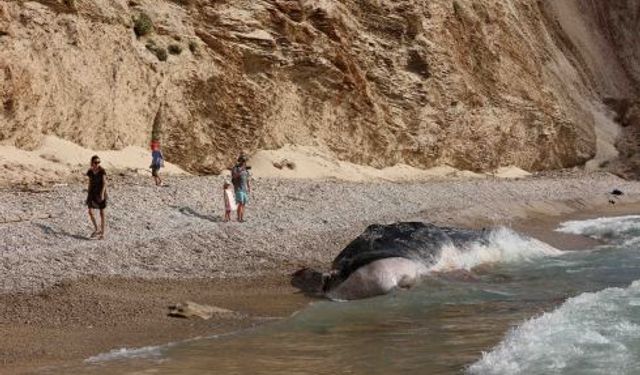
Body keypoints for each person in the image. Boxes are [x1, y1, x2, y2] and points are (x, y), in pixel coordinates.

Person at [86, 155, 107, 240]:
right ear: (92, 163)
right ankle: (97, 228)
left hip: (100, 192)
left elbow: (105, 183)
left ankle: (103, 233)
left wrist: (102, 194)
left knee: (102, 213)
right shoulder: (90, 171)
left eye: (99, 162)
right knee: (90, 211)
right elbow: (90, 182)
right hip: (92, 193)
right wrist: (88, 192)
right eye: (95, 162)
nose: (97, 164)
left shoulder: (102, 171)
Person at [231, 155, 251, 222]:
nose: (243, 162)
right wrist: (240, 171)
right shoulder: (235, 168)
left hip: (244, 189)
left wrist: (248, 186)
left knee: (244, 203)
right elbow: (234, 176)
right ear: (240, 161)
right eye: (242, 160)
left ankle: (241, 218)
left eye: (244, 161)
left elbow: (247, 179)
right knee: (240, 203)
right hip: (238, 188)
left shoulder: (246, 170)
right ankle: (238, 218)